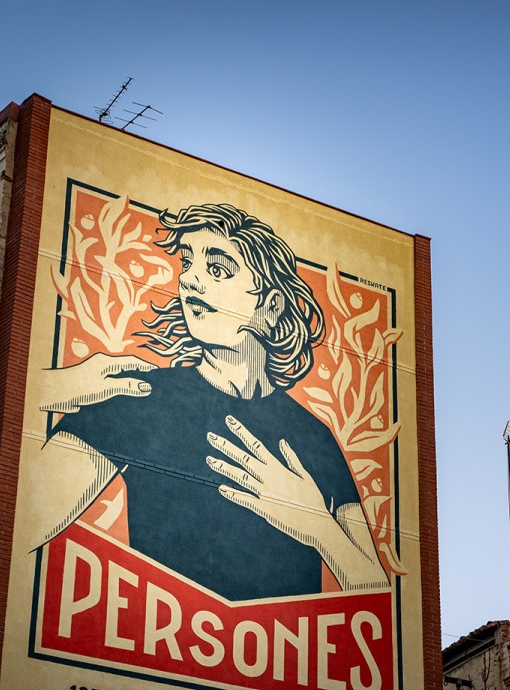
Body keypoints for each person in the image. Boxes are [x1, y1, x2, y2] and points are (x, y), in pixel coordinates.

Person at [29, 203, 388, 601]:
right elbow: (18, 521)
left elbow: (376, 601)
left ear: (270, 308)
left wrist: (317, 524)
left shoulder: (315, 438)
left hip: (275, 653)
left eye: (217, 269)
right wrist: (51, 387)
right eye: (188, 263)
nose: (190, 281)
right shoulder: (139, 396)